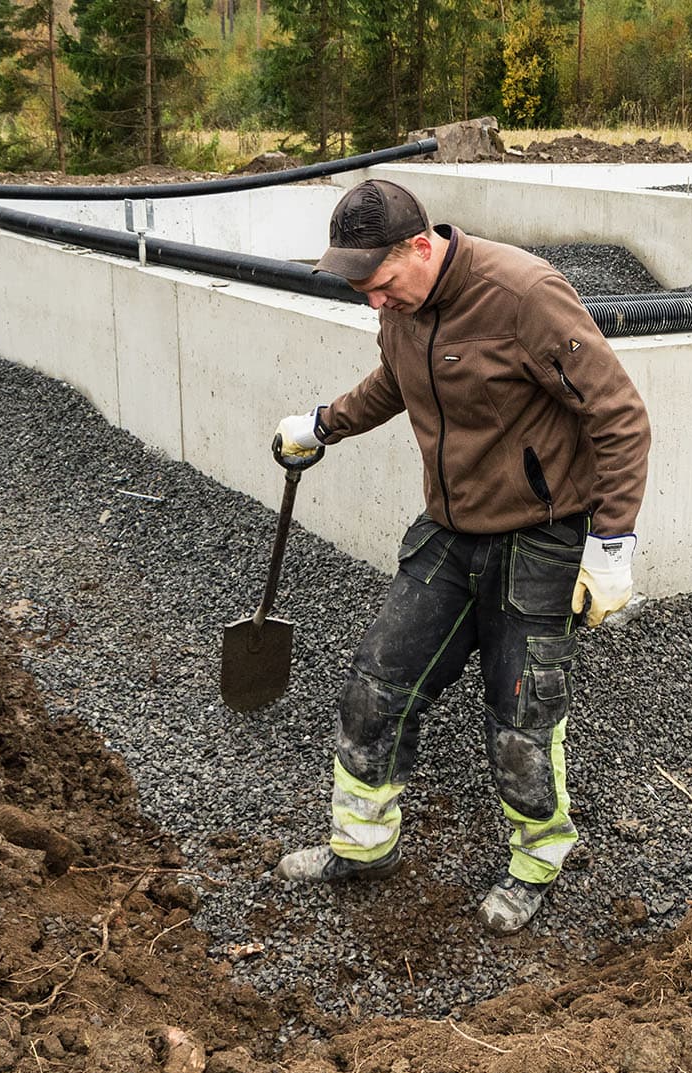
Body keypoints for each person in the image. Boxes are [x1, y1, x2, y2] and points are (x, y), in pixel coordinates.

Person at [271, 178, 651, 934]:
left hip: (541, 537)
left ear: (420, 247)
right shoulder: (402, 309)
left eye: (378, 284)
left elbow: (620, 416)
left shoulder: (524, 295)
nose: (373, 302)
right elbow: (396, 381)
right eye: (359, 290)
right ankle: (363, 845)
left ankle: (538, 862)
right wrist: (324, 424)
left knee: (521, 724)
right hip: (450, 532)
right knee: (373, 691)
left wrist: (610, 544)